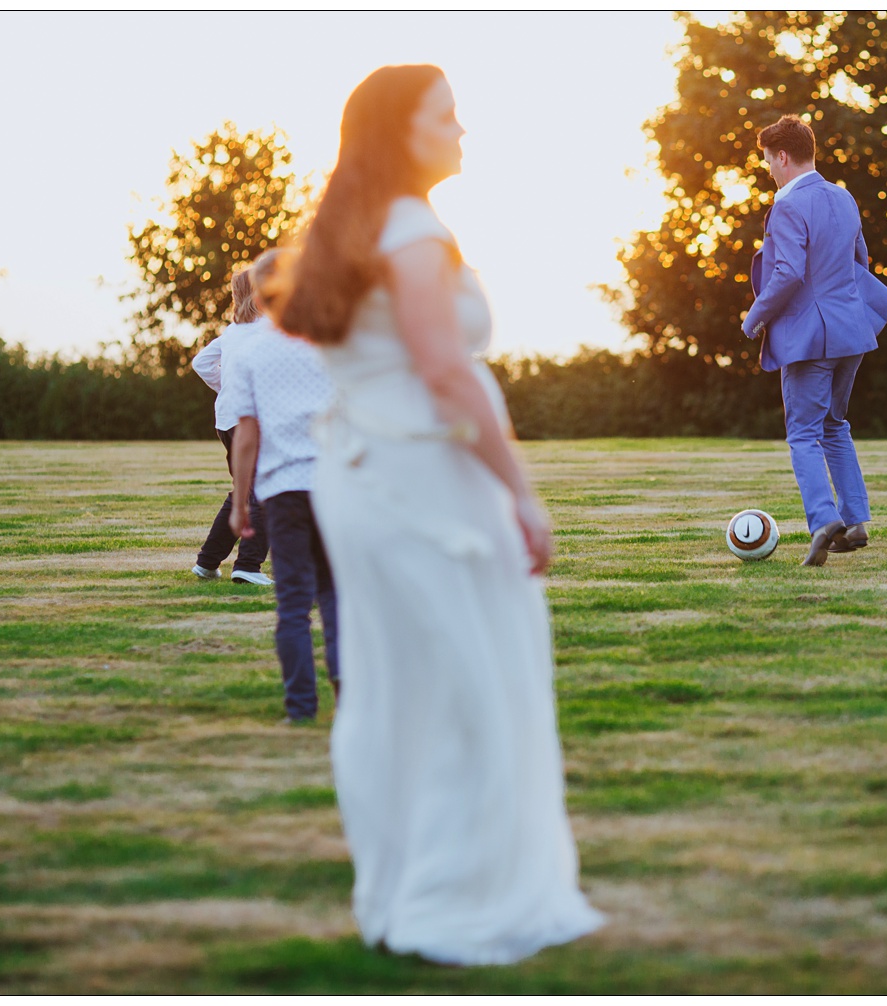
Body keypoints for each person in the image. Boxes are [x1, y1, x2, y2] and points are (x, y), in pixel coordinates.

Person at [258, 65, 603, 965]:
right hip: (422, 473)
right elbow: (444, 371)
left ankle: (403, 886)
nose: (462, 131)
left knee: (399, 680)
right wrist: (520, 491)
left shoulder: (350, 226)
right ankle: (456, 896)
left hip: (364, 475)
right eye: (446, 117)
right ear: (397, 132)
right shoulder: (411, 227)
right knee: (469, 676)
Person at [742, 114, 887, 567]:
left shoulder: (789, 205)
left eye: (769, 163)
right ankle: (854, 521)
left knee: (803, 434)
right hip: (852, 332)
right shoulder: (843, 197)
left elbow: (788, 272)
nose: (770, 172)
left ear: (782, 156)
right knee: (835, 425)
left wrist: (754, 318)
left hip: (809, 337)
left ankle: (823, 520)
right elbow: (861, 260)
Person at [224, 250, 340, 724]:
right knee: (335, 596)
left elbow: (246, 435)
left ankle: (300, 707)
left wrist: (240, 502)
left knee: (292, 601)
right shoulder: (330, 342)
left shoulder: (249, 352)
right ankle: (350, 700)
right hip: (336, 486)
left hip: (284, 491)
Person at [188, 268, 272, 585]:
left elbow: (200, 363)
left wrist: (227, 386)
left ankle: (207, 562)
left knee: (244, 491)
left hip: (225, 420)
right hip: (253, 421)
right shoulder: (271, 329)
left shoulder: (233, 332)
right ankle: (249, 566)